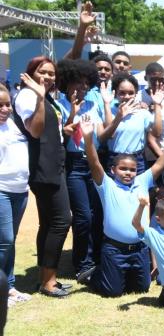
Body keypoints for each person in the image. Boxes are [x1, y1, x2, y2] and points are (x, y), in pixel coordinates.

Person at [80, 112, 164, 297]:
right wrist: (88, 139)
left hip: (139, 249)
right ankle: (94, 274)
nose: (128, 173)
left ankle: (119, 274)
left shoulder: (142, 182)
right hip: (114, 249)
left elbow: (162, 162)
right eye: (123, 169)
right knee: (113, 292)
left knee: (141, 288)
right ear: (113, 170)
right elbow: (94, 163)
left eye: (132, 169)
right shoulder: (107, 185)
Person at [13, 58, 73, 297]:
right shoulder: (29, 96)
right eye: (42, 72)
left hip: (54, 163)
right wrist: (39, 96)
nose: (48, 77)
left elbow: (48, 127)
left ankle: (47, 278)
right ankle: (48, 281)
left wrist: (64, 130)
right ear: (30, 73)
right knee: (61, 220)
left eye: (51, 73)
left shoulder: (44, 96)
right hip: (44, 167)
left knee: (49, 222)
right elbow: (35, 130)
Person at [56, 59, 104, 284]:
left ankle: (95, 259)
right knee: (83, 216)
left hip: (94, 163)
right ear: (66, 82)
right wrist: (72, 113)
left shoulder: (94, 104)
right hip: (74, 164)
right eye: (78, 82)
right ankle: (81, 263)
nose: (82, 87)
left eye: (86, 83)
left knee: (96, 215)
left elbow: (102, 134)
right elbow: (63, 136)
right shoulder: (59, 105)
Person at [0, 84, 32, 306]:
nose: (5, 109)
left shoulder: (14, 124)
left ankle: (9, 286)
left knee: (9, 242)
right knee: (5, 240)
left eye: (7, 104)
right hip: (1, 189)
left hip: (21, 190)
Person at [99, 72, 163, 174]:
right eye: (122, 93)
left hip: (137, 160)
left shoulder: (142, 113)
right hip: (115, 159)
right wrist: (118, 115)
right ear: (115, 93)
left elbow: (157, 133)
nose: (127, 96)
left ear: (136, 93)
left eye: (131, 93)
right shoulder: (109, 111)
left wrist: (157, 104)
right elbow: (109, 135)